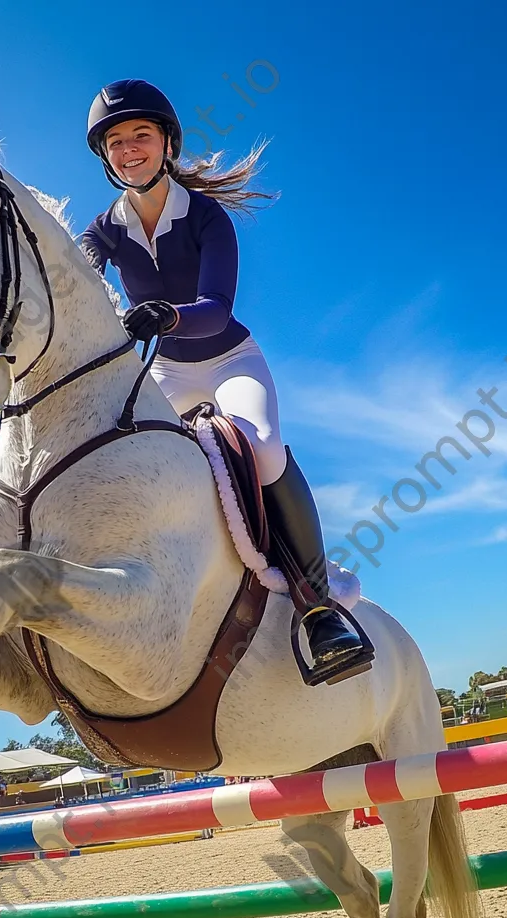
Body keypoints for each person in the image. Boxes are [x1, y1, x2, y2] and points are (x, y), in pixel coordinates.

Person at [81, 80, 361, 668]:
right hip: (167, 375)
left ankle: (318, 608)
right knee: (139, 464)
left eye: (141, 136)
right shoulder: (102, 230)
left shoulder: (206, 216)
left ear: (167, 143)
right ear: (104, 156)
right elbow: (73, 280)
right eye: (116, 142)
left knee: (259, 447)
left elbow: (216, 311)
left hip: (229, 359)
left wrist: (167, 314)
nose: (129, 150)